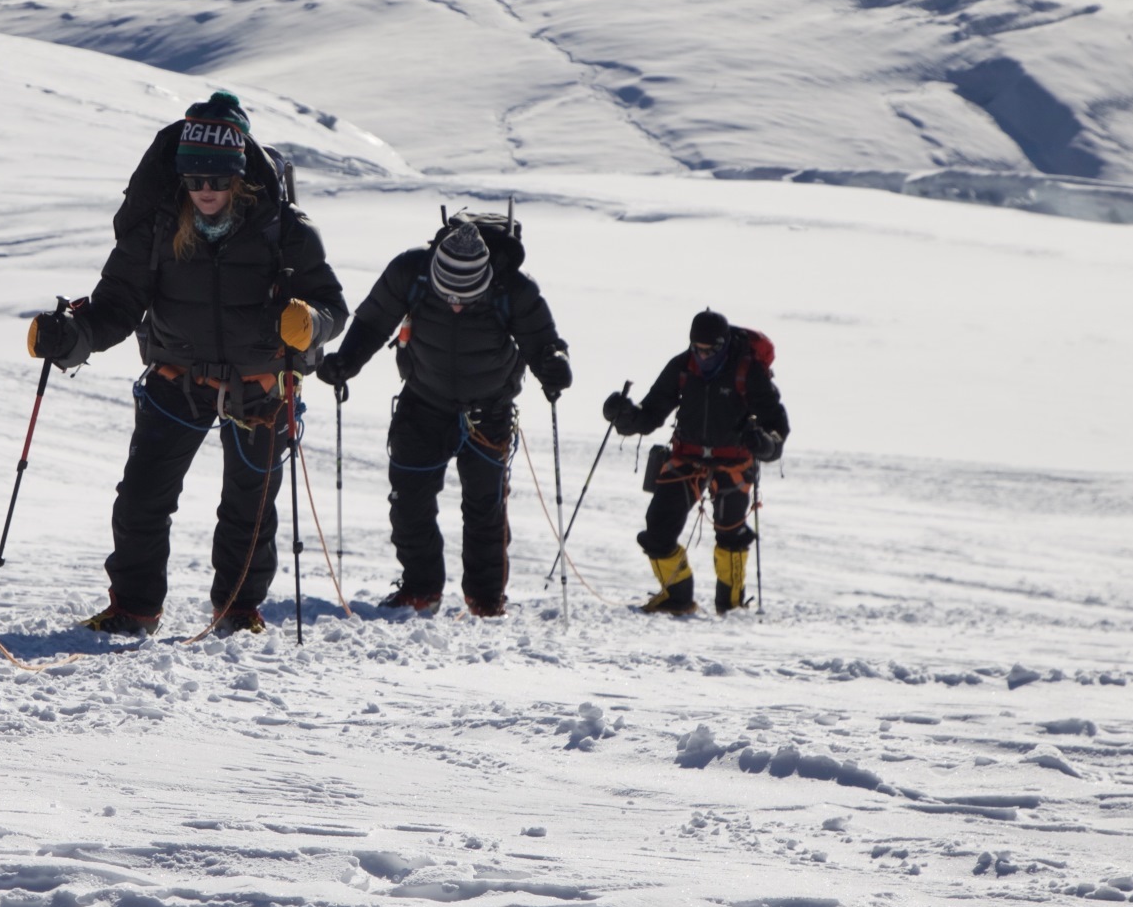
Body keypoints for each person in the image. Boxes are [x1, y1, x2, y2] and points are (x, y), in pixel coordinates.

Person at [28, 93, 347, 636]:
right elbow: (116, 307)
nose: (205, 189)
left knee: (249, 508)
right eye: (195, 178)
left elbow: (332, 307)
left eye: (217, 179)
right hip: (176, 380)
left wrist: (310, 322)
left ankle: (238, 611)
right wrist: (71, 338)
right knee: (141, 499)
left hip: (261, 388)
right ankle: (134, 609)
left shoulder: (284, 229)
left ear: (239, 177)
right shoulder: (156, 227)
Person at [316, 215, 569, 617]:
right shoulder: (410, 272)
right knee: (408, 501)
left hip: (490, 411)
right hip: (423, 402)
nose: (455, 303)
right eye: (448, 293)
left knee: (485, 508)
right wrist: (346, 361)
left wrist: (553, 366)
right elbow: (374, 321)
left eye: (466, 296)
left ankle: (486, 600)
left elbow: (543, 342)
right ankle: (421, 589)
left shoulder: (514, 289)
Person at [601, 309, 787, 616]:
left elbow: (777, 427)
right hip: (686, 458)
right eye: (697, 348)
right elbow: (650, 415)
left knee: (731, 534)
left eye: (709, 350)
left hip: (734, 463)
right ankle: (677, 599)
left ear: (723, 345)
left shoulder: (748, 371)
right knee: (658, 531)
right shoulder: (682, 366)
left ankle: (731, 606)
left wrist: (765, 443)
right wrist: (624, 416)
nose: (702, 355)